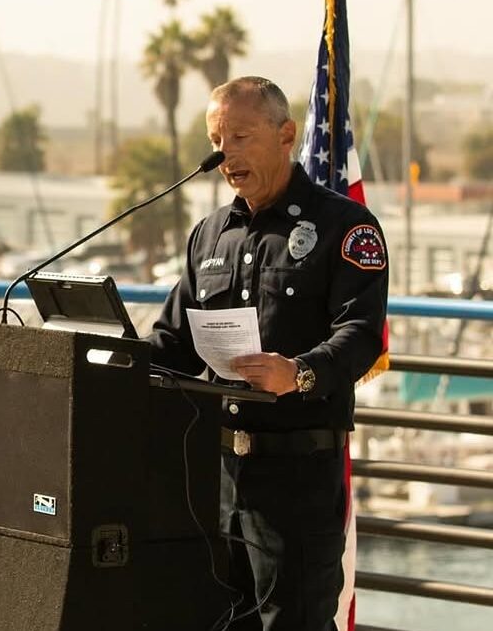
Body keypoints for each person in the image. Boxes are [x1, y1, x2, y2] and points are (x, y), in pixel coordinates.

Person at [147, 76, 388, 630]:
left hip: (298, 481)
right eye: (216, 140)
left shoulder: (345, 227)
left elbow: (360, 335)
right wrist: (99, 360)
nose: (225, 155)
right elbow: (172, 343)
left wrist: (299, 374)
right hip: (219, 477)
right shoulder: (209, 235)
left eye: (240, 137)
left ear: (286, 135)